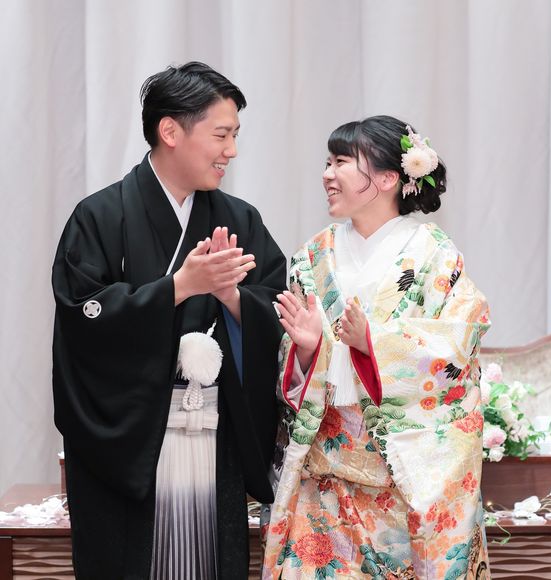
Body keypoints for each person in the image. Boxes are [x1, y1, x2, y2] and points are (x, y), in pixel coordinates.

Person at [52, 61, 286, 579]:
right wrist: (180, 287)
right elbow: (82, 317)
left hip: (215, 437)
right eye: (221, 135)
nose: (231, 151)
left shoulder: (240, 219)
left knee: (210, 560)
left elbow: (276, 304)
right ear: (170, 131)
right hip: (129, 444)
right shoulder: (101, 216)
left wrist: (233, 299)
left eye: (235, 136)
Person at [262, 115, 491, 579]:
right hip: (325, 473)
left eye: (341, 162)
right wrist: (307, 350)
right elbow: (292, 358)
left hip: (402, 474)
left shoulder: (434, 254)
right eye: (327, 162)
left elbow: (460, 339)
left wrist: (374, 342)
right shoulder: (313, 254)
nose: (327, 174)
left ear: (388, 178)